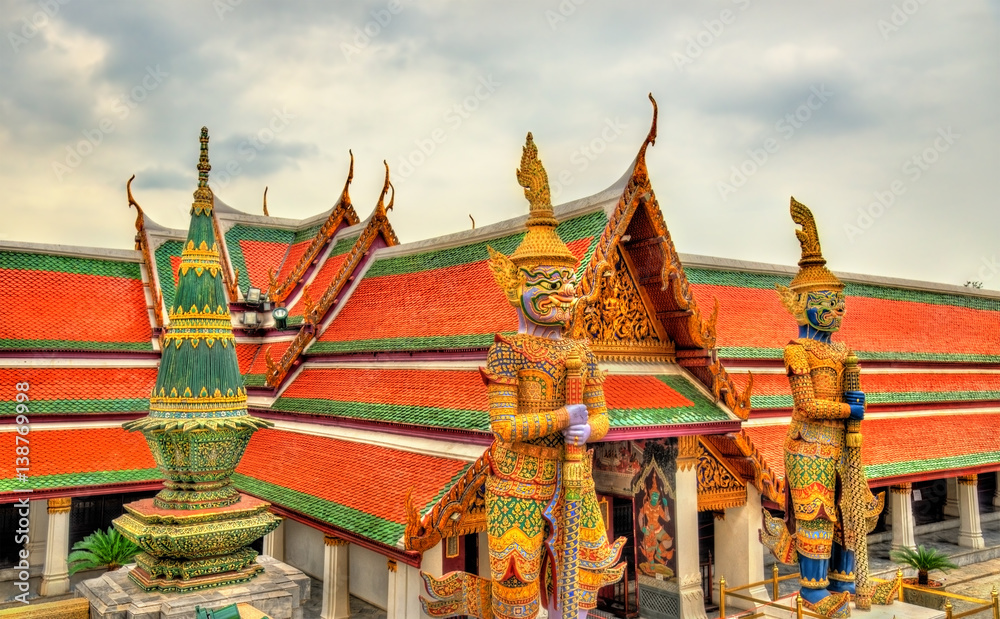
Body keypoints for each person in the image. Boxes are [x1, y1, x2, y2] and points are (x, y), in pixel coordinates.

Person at [422, 134, 624, 619]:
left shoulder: (581, 351)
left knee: (580, 594)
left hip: (571, 477)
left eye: (567, 284)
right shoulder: (507, 353)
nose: (562, 295)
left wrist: (587, 426)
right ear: (516, 286)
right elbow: (505, 427)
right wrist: (562, 416)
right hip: (515, 483)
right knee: (518, 596)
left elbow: (602, 419)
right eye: (548, 284)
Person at [762, 198, 869, 619]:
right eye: (825, 300)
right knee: (817, 516)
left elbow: (849, 400)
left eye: (838, 301)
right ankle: (813, 590)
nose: (835, 309)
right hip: (808, 445)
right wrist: (849, 411)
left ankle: (845, 581)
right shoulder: (796, 351)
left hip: (844, 445)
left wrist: (854, 407)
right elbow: (806, 405)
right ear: (800, 303)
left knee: (850, 513)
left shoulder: (844, 352)